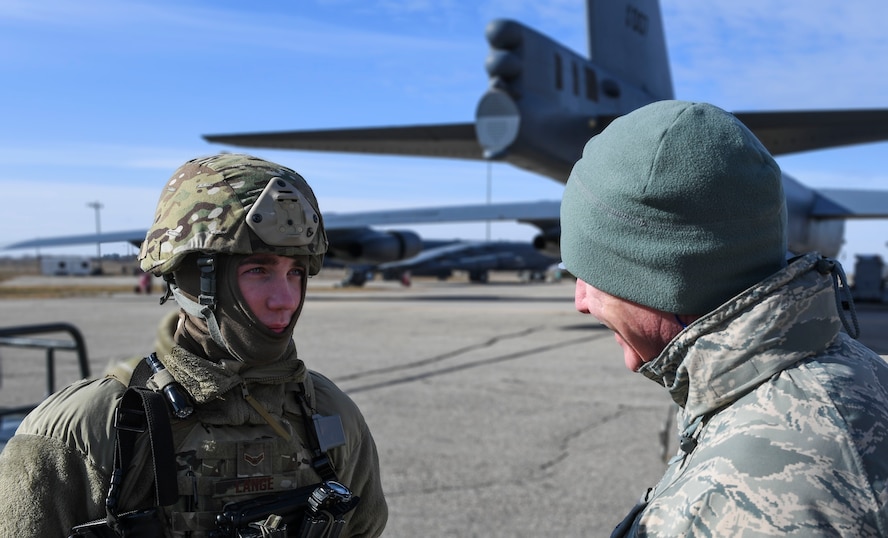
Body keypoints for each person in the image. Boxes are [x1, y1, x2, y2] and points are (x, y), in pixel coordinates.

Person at [0, 153, 388, 537]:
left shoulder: (330, 413)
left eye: (295, 273)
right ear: (189, 279)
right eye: (258, 271)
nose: (285, 299)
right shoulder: (90, 428)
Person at [559, 100, 888, 536]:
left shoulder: (756, 497)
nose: (580, 300)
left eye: (593, 274)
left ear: (663, 279)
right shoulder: (847, 367)